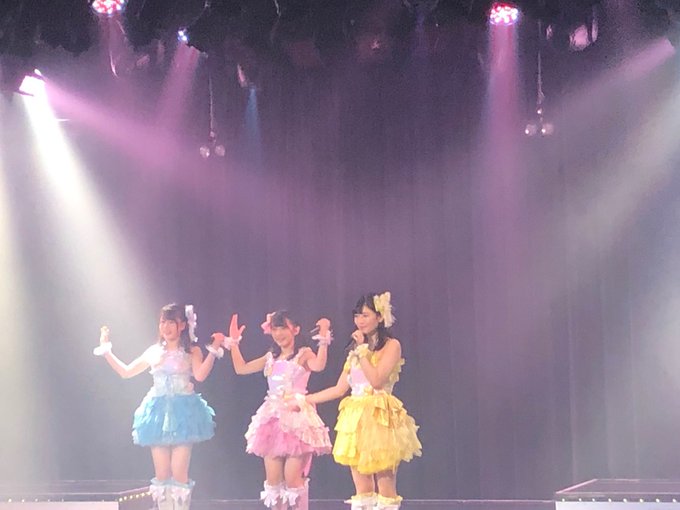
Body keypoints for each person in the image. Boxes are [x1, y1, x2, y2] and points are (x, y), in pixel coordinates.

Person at [94, 303, 224, 510]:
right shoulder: (154, 351)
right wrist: (106, 350)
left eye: (171, 322)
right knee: (162, 474)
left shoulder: (191, 350)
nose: (166, 327)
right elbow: (126, 372)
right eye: (163, 322)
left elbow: (200, 375)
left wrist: (214, 350)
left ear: (182, 325)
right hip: (157, 414)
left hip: (184, 414)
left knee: (179, 473)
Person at [306, 292, 422, 510]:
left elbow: (377, 380)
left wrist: (362, 351)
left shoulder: (391, 345)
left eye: (365, 315)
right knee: (362, 489)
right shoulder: (356, 352)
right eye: (357, 316)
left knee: (385, 486)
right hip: (355, 419)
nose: (360, 321)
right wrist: (306, 399)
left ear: (379, 317)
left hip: (379, 416)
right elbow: (340, 389)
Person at [216, 311, 332, 510]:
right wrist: (233, 343)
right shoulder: (271, 357)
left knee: (293, 479)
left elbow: (319, 365)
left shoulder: (303, 354)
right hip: (272, 420)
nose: (279, 333)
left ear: (295, 329)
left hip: (296, 418)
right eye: (275, 329)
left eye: (283, 328)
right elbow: (241, 368)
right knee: (273, 481)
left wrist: (323, 338)